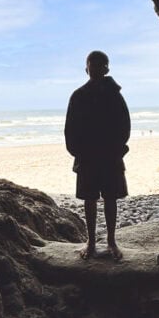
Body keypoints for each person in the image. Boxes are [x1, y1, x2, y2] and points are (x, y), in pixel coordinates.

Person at [64, 50, 131, 262]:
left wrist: (118, 149)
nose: (94, 69)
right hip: (87, 157)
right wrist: (78, 152)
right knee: (89, 199)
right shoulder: (78, 95)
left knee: (111, 198)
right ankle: (91, 242)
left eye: (99, 65)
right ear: (87, 69)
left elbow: (124, 126)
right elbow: (70, 129)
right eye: (92, 65)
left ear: (106, 69)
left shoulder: (114, 95)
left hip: (110, 155)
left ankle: (111, 241)